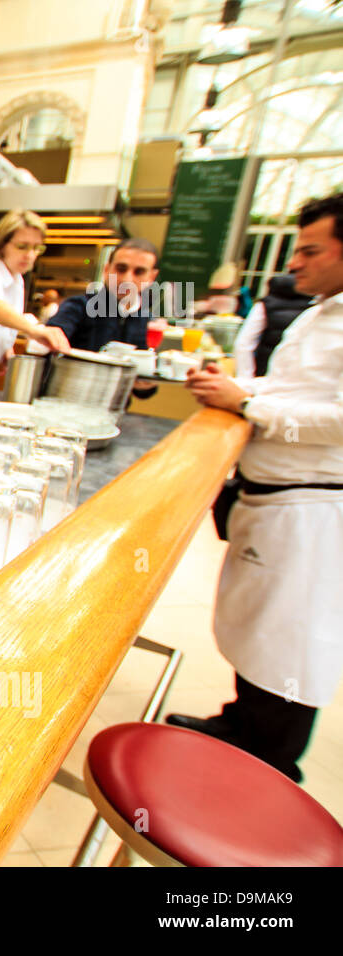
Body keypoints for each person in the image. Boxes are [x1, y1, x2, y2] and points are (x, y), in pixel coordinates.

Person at [167, 193, 343, 783]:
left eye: (312, 250)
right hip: (271, 497)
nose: (295, 263)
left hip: (313, 507)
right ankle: (240, 728)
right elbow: (296, 387)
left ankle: (267, 769)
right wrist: (241, 385)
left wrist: (248, 403)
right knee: (260, 626)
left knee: (289, 637)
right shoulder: (321, 313)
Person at [47, 238, 160, 352]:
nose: (127, 279)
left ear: (152, 277)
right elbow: (47, 342)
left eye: (139, 272)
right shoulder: (78, 307)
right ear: (106, 269)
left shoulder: (149, 323)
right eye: (121, 269)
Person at [0, 208, 48, 382]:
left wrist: (5, 349)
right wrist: (33, 330)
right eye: (22, 246)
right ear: (2, 245)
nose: (29, 255)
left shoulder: (17, 281)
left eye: (37, 248)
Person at [233, 273, 313, 379]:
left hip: (263, 370)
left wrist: (245, 377)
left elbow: (244, 343)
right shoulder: (316, 308)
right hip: (296, 376)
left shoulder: (265, 304)